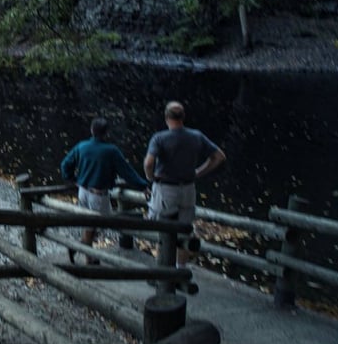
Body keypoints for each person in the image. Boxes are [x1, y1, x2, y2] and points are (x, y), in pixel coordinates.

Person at [143, 101, 226, 268]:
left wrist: (151, 178)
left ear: (166, 117)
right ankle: (180, 270)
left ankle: (162, 272)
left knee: (163, 230)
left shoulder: (159, 138)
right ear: (183, 117)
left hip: (166, 189)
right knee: (183, 232)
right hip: (188, 189)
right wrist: (199, 172)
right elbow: (219, 156)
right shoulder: (196, 136)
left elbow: (148, 163)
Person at [60, 117, 150, 264]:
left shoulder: (82, 146)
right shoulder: (111, 151)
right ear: (106, 133)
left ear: (91, 130)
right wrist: (143, 186)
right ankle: (82, 251)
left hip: (82, 191)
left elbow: (65, 164)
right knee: (98, 224)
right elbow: (127, 172)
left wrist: (72, 178)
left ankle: (83, 252)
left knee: (88, 223)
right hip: (98, 194)